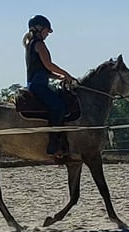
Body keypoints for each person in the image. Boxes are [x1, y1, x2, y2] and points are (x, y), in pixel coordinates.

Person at [22, 14, 75, 158]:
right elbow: (49, 65)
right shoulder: (39, 44)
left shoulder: (30, 44)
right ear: (38, 28)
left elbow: (43, 70)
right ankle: (53, 145)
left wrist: (60, 77)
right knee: (58, 107)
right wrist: (66, 74)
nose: (47, 34)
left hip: (37, 83)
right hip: (38, 86)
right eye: (46, 31)